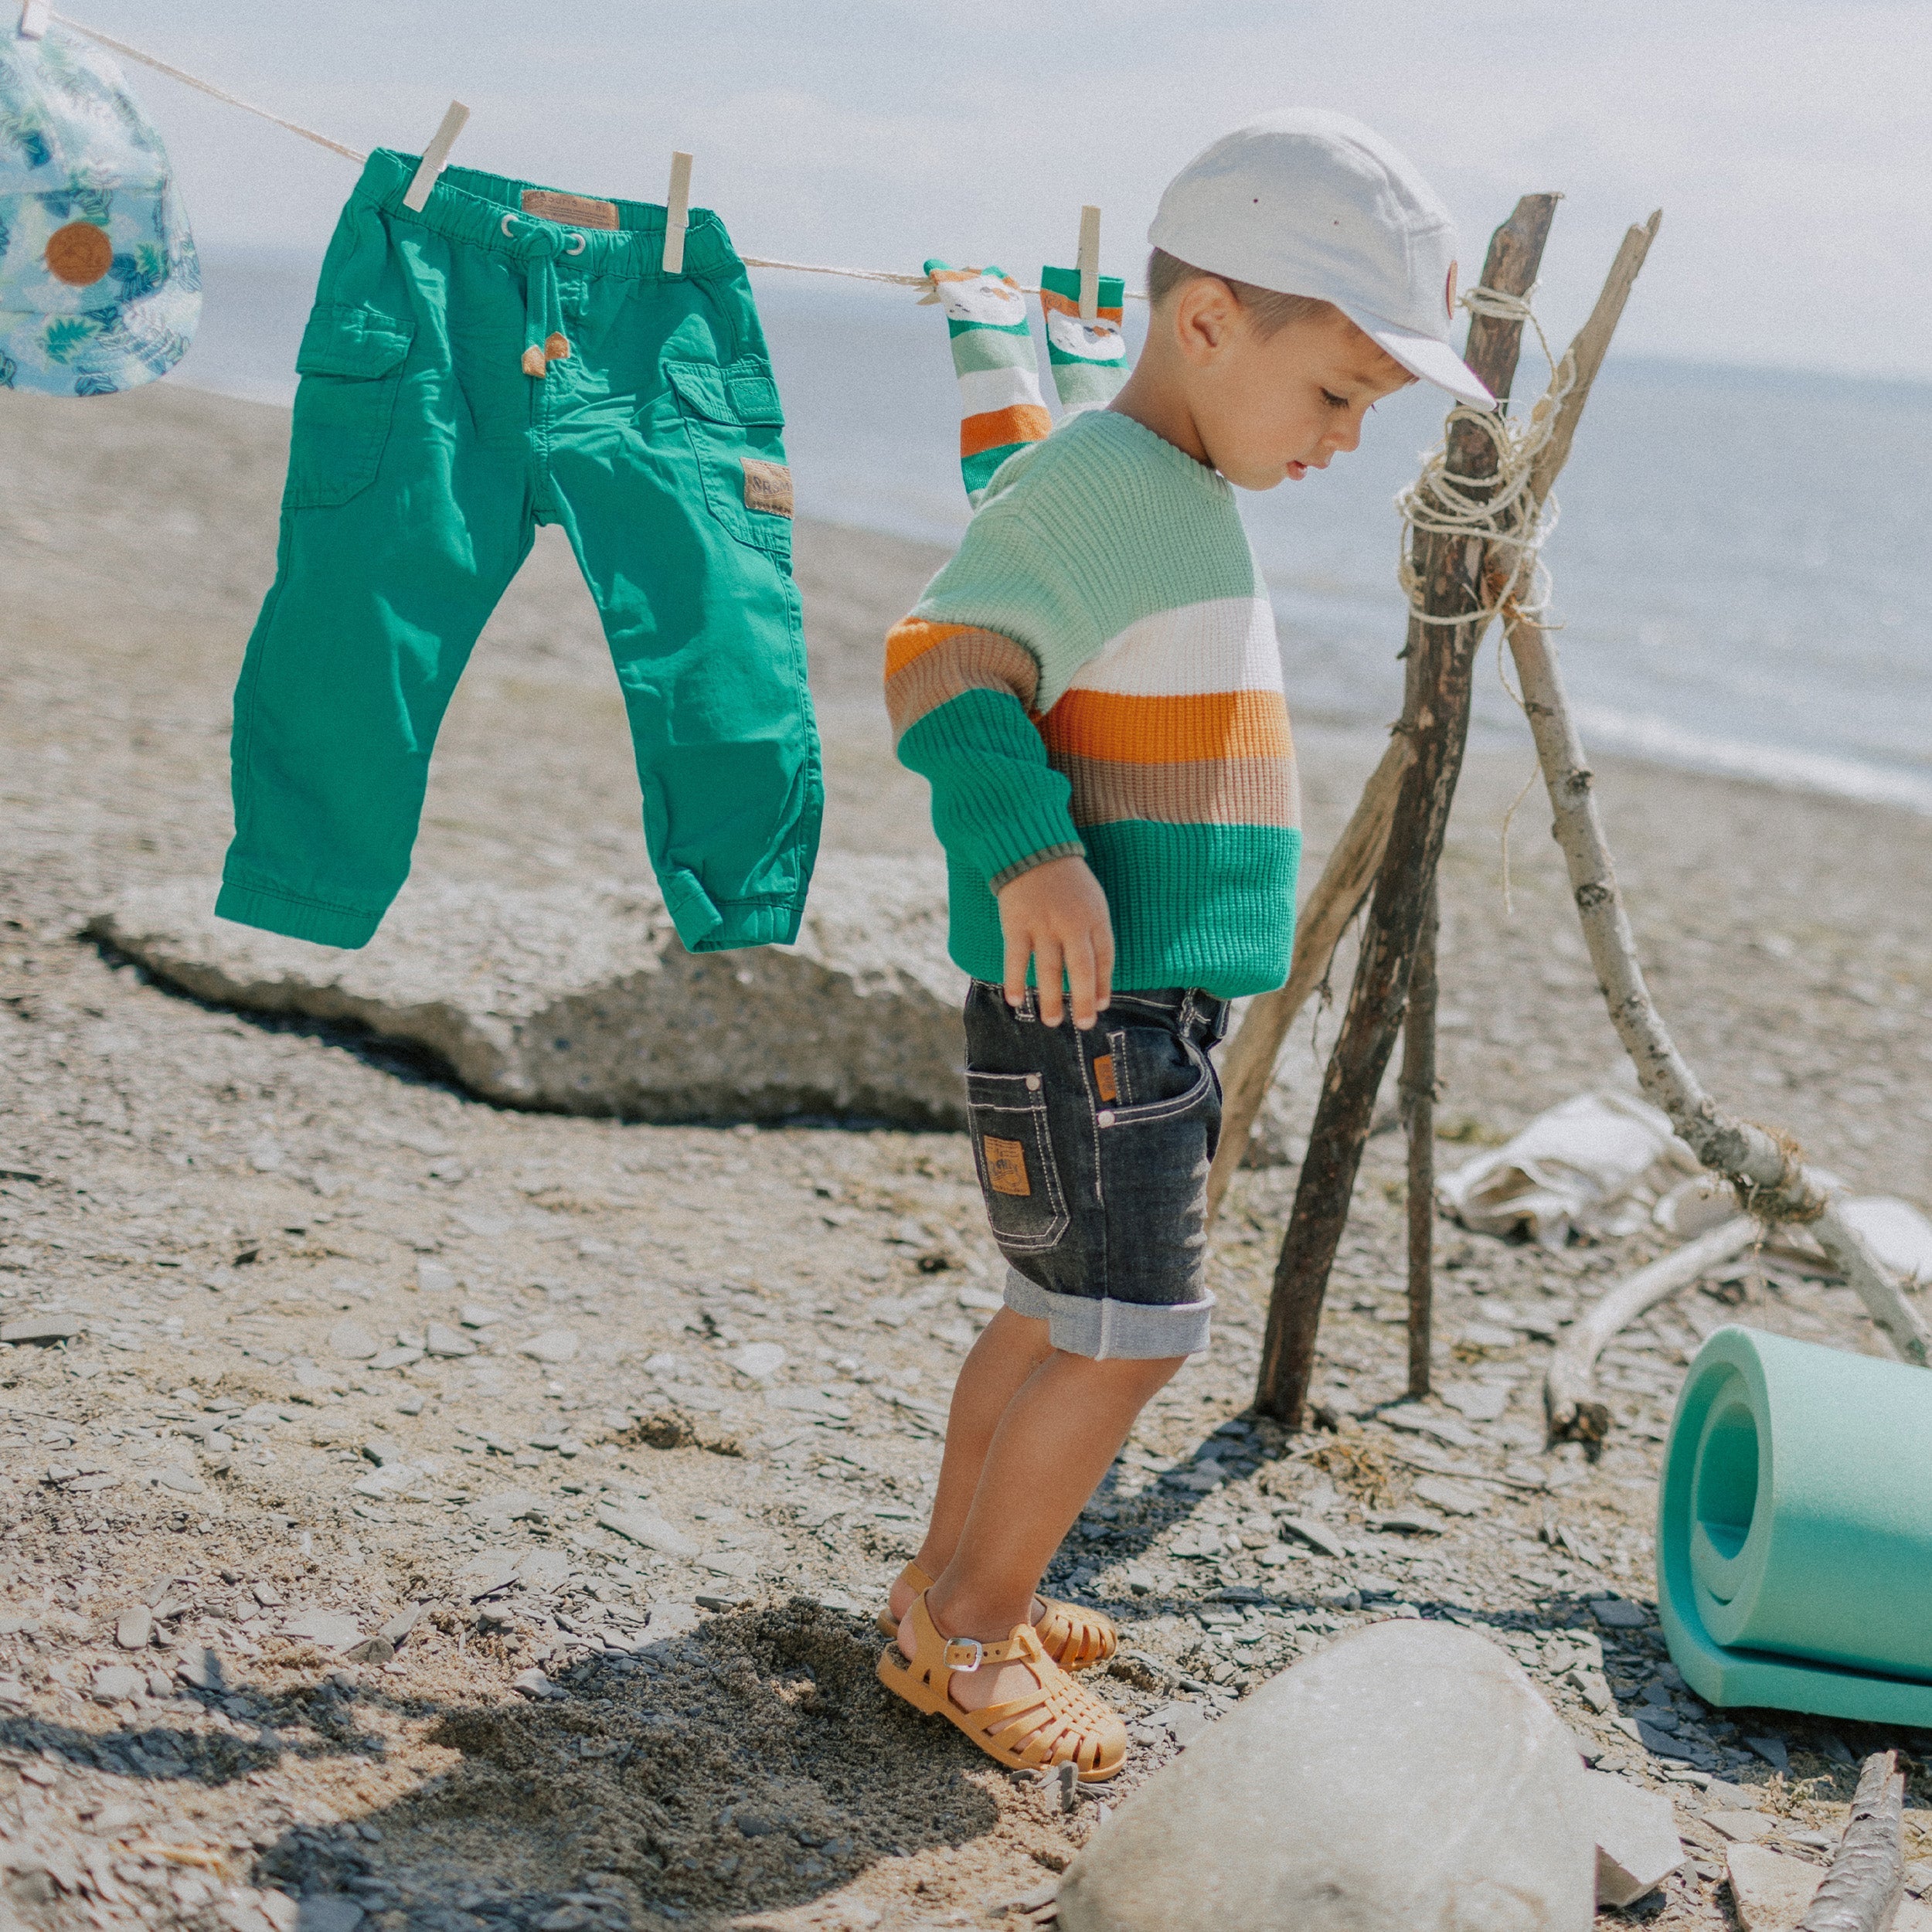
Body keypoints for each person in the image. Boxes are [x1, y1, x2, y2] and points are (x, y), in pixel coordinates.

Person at [876, 109, 1494, 1781]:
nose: (1346, 438)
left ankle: (947, 1581)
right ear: (1209, 318)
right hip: (1103, 999)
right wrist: (1033, 857)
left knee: (1047, 1306)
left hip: (1113, 1006)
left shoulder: (1150, 478)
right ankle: (975, 1633)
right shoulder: (1106, 485)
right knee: (1128, 1331)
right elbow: (940, 658)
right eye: (1336, 395)